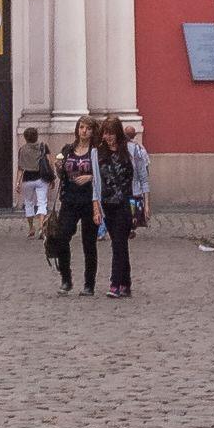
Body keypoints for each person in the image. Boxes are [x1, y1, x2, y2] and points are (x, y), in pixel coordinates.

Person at [51, 118, 99, 295]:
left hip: (89, 200)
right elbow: (62, 174)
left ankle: (89, 284)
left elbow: (103, 173)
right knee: (61, 237)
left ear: (94, 131)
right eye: (81, 127)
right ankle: (66, 278)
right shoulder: (68, 150)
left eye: (87, 128)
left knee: (89, 243)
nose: (84, 131)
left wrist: (91, 177)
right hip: (69, 199)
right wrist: (58, 168)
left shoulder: (96, 151)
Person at [96, 117, 135, 297]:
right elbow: (96, 179)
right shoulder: (99, 153)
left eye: (111, 133)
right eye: (105, 133)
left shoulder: (127, 152)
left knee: (118, 244)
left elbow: (135, 179)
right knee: (120, 244)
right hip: (107, 204)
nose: (108, 137)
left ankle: (115, 284)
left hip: (123, 204)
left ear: (118, 133)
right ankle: (126, 283)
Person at [17, 122, 54, 237]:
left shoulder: (22, 149)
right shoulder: (43, 146)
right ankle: (42, 228)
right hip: (41, 178)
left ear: (25, 137)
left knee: (28, 203)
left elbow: (20, 168)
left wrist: (17, 182)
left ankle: (31, 228)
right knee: (42, 203)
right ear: (37, 136)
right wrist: (52, 178)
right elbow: (49, 163)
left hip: (27, 179)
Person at [127, 125, 151, 229]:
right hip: (135, 191)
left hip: (132, 192)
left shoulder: (136, 149)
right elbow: (146, 169)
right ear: (135, 135)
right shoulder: (140, 149)